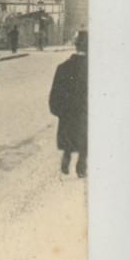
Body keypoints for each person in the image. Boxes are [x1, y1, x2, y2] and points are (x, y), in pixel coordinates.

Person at [49, 29, 88, 178]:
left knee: (68, 134)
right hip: (84, 111)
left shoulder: (63, 67)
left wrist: (58, 110)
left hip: (67, 112)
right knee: (85, 136)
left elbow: (55, 92)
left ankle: (67, 155)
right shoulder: (93, 69)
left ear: (76, 46)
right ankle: (81, 165)